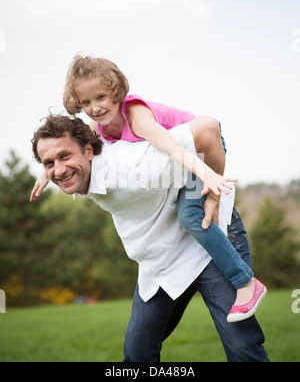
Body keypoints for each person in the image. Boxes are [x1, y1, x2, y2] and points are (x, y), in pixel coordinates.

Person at [30, 55, 266, 322]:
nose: (94, 108)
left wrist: (209, 178)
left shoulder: (137, 118)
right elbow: (65, 148)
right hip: (180, 167)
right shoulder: (98, 125)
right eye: (86, 102)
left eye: (101, 97)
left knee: (190, 215)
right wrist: (45, 174)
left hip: (197, 154)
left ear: (117, 92)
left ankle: (246, 283)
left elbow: (174, 148)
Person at [31, 114, 270, 362]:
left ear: (88, 150)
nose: (58, 169)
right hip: (161, 260)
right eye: (49, 163)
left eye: (65, 156)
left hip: (207, 244)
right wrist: (47, 172)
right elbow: (80, 135)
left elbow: (208, 129)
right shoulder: (81, 169)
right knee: (137, 356)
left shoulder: (134, 168)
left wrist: (212, 196)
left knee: (244, 351)